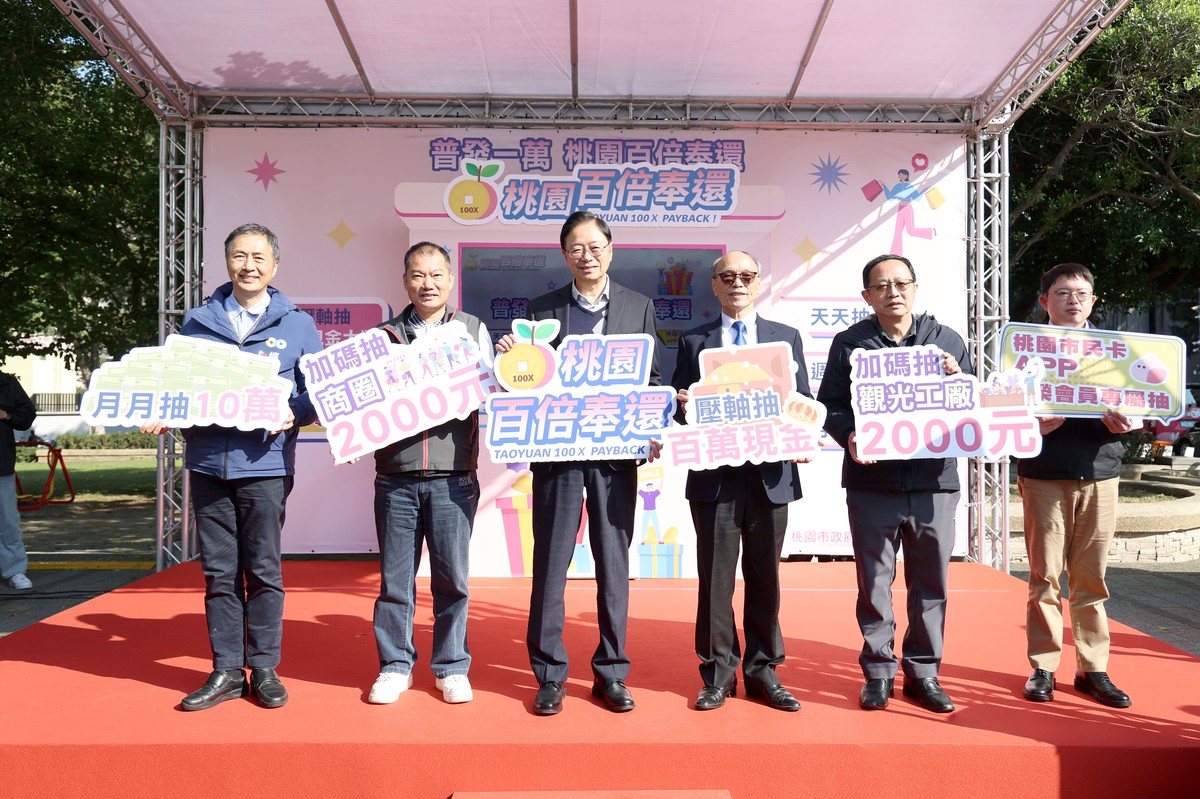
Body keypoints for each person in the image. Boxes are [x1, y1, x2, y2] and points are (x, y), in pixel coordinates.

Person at [145, 223, 321, 711]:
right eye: (240, 256)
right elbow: (179, 384)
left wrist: (294, 412)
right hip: (207, 464)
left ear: (275, 265)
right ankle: (226, 670)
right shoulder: (197, 322)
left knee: (263, 569)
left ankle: (264, 668)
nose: (249, 266)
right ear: (226, 262)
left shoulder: (298, 325)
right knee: (219, 573)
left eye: (259, 257)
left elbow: (318, 392)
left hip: (264, 465)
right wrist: (167, 410)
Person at [498, 210, 660, 715]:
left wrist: (651, 426)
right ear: (565, 255)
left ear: (611, 249)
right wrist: (510, 358)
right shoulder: (542, 310)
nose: (586, 256)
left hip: (614, 459)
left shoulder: (639, 306)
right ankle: (549, 675)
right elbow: (525, 383)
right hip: (558, 459)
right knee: (550, 564)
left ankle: (611, 673)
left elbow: (652, 379)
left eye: (595, 247)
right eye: (576, 249)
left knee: (614, 566)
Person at [817, 253, 971, 714]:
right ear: (867, 296)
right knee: (874, 582)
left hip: (934, 482)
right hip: (872, 481)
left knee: (931, 582)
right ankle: (879, 671)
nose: (893, 292)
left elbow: (973, 404)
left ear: (915, 289)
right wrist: (849, 435)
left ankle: (924, 672)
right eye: (882, 286)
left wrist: (957, 379)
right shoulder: (850, 344)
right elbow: (830, 405)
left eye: (901, 284)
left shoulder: (947, 341)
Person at [671, 251, 809, 712]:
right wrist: (683, 404)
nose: (738, 283)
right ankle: (718, 674)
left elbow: (803, 402)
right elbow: (677, 409)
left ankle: (764, 670)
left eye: (747, 275)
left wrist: (801, 431)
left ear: (759, 282)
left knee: (765, 577)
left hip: (771, 476)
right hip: (715, 478)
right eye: (727, 276)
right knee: (716, 580)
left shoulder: (785, 339)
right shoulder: (694, 341)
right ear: (714, 285)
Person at [366, 242, 491, 706]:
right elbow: (362, 403)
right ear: (405, 281)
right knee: (394, 582)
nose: (428, 284)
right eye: (418, 275)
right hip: (395, 475)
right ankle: (395, 666)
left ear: (451, 279)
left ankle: (452, 666)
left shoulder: (471, 330)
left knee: (452, 580)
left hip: (453, 476)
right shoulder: (381, 338)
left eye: (437, 274)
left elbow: (491, 390)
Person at [1018, 263, 1134, 708]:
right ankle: (1043, 667)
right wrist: (1029, 423)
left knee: (1091, 579)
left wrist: (1130, 421)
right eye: (1063, 293)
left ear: (1093, 301)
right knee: (1044, 577)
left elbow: (1141, 403)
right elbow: (1000, 406)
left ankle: (1093, 669)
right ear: (1044, 300)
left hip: (1101, 472)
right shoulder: (1023, 351)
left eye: (1082, 293)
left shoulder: (1116, 352)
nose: (1073, 300)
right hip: (1044, 473)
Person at [0, 371, 36, 591]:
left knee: (8, 521)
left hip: (1, 465)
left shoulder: (6, 383)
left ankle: (14, 570)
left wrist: (6, 415)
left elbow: (26, 415)